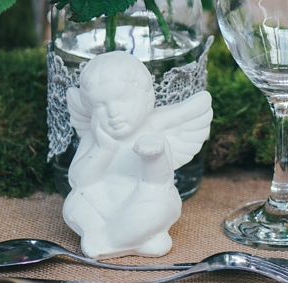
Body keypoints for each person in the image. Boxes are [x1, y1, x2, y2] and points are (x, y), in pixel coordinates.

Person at [63, 51, 212, 259]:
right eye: (100, 106)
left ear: (147, 98)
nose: (113, 112)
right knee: (73, 206)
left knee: (155, 206)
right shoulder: (95, 137)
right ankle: (139, 240)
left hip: (141, 203)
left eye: (122, 100)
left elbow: (158, 183)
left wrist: (154, 157)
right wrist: (103, 149)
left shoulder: (154, 136)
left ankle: (107, 242)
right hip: (102, 203)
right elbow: (79, 181)